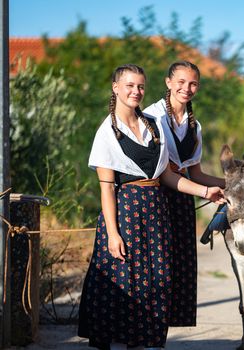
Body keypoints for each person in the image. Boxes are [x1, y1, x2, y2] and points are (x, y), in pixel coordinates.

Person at [78, 63, 223, 350]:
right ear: (116, 88)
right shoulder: (107, 131)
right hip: (126, 212)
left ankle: (142, 342)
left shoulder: (152, 126)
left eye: (140, 86)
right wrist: (113, 233)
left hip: (156, 212)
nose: (136, 91)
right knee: (124, 281)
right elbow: (106, 187)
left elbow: (167, 175)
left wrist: (206, 191)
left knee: (156, 282)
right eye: (129, 86)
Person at [144, 60, 224, 327]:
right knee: (158, 270)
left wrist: (233, 184)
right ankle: (149, 332)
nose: (186, 88)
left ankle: (160, 333)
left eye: (193, 84)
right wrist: (204, 192)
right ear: (168, 82)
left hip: (181, 201)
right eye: (181, 82)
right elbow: (163, 171)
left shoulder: (194, 126)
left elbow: (196, 173)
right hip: (156, 198)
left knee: (177, 270)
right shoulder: (151, 117)